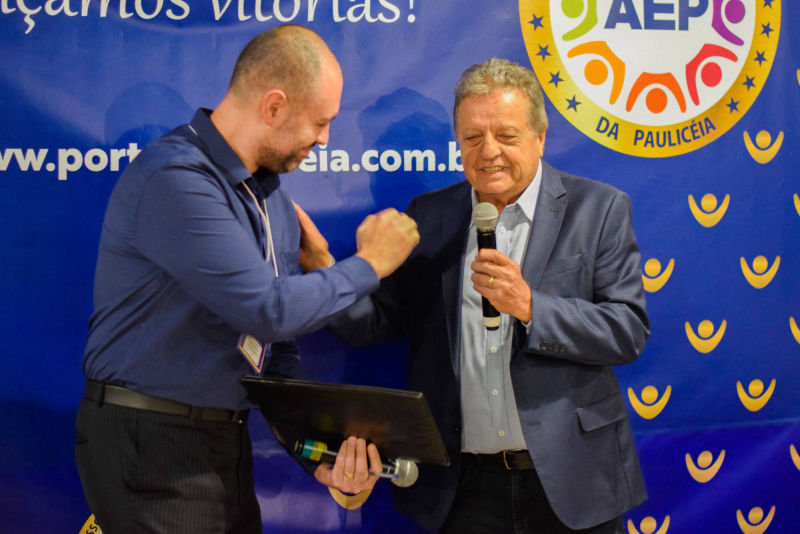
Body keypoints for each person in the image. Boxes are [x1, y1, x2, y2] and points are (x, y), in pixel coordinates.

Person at [75, 25, 419, 533]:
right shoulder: (176, 178)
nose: (325, 139)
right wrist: (371, 263)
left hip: (222, 445)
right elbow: (267, 311)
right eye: (320, 122)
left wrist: (315, 454)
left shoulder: (271, 200)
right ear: (274, 106)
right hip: (152, 445)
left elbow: (272, 354)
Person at [302, 58, 650, 533]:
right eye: (472, 137)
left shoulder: (599, 209)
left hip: (573, 482)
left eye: (506, 135)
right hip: (463, 491)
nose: (489, 152)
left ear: (539, 137)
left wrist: (530, 306)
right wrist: (324, 269)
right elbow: (377, 322)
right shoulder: (429, 216)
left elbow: (627, 331)